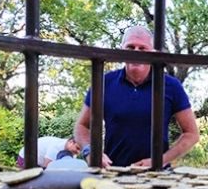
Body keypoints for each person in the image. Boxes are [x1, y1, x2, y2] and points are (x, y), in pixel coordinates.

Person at [74, 26, 200, 168]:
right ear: (122, 50)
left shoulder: (171, 85)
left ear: (152, 53)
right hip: (113, 171)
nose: (136, 53)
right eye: (130, 47)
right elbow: (81, 126)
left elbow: (191, 134)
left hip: (158, 175)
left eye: (142, 49)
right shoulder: (104, 82)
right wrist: (91, 151)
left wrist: (161, 160)